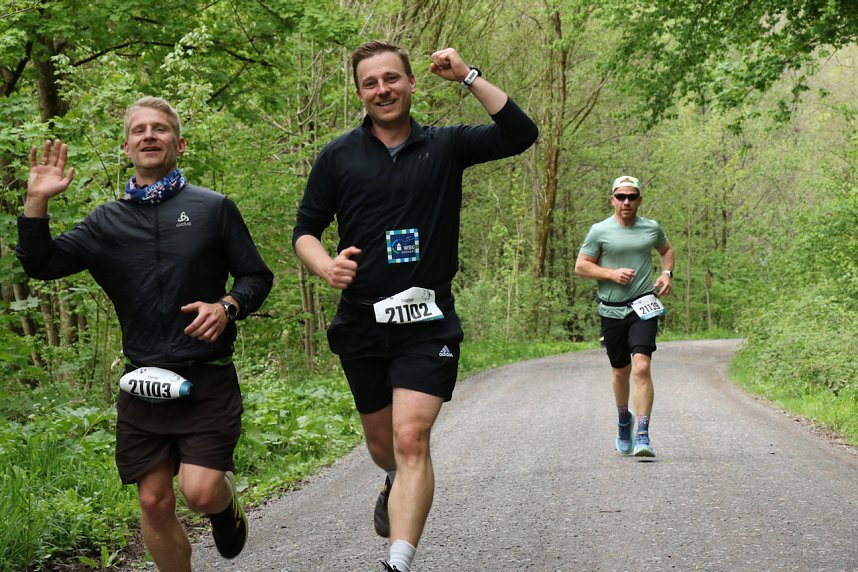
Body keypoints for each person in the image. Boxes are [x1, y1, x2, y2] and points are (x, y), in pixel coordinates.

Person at [293, 40, 537, 571]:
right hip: (362, 320)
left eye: (391, 78)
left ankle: (398, 562)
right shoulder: (338, 156)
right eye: (370, 83)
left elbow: (521, 133)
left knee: (411, 438)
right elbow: (305, 231)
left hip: (427, 319)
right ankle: (392, 478)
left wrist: (468, 75)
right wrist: (325, 266)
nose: (382, 90)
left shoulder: (446, 145)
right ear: (360, 93)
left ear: (411, 83)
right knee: (385, 447)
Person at [16, 97, 273, 570]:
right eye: (139, 130)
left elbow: (256, 277)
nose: (149, 135)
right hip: (142, 382)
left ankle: (224, 504)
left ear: (180, 143)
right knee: (153, 501)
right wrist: (37, 202)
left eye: (160, 128)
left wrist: (227, 306)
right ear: (127, 147)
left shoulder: (213, 208)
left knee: (199, 493)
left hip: (207, 377)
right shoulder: (105, 222)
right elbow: (42, 264)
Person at [574, 175, 674, 458]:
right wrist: (610, 273)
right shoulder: (599, 231)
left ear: (639, 200)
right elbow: (581, 266)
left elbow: (667, 250)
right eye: (621, 197)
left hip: (643, 306)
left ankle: (643, 434)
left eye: (632, 196)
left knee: (641, 367)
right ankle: (623, 419)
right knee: (620, 371)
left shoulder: (651, 228)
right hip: (611, 310)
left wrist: (667, 273)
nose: (626, 202)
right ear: (612, 200)